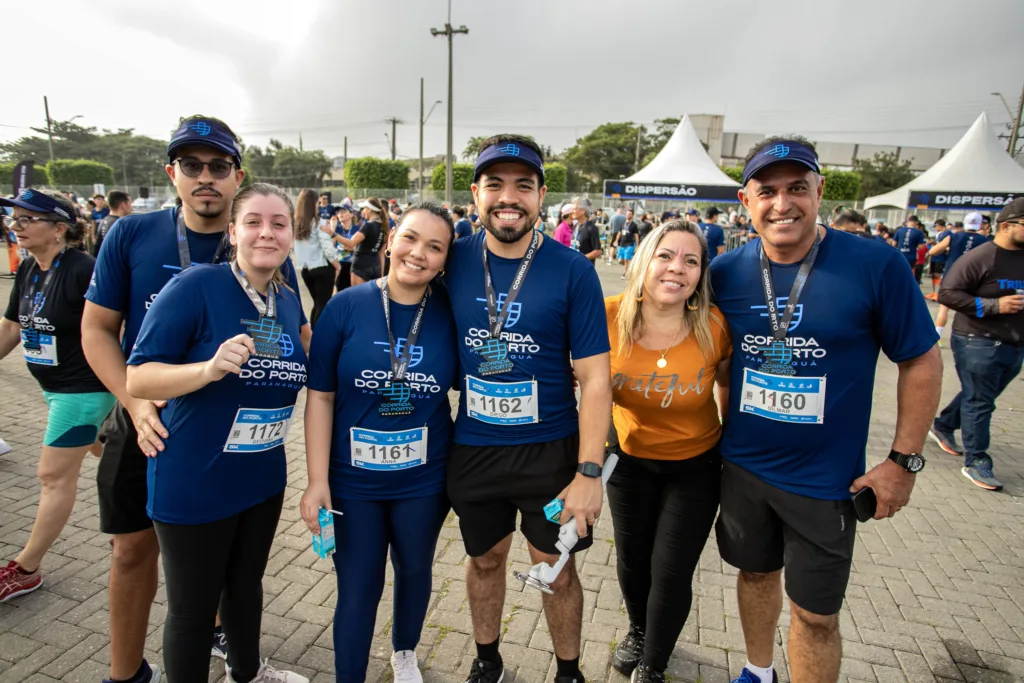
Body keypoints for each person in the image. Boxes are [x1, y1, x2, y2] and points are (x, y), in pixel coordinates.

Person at [82, 115, 306, 683]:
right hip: (161, 431)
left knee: (239, 582)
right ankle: (126, 673)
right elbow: (109, 343)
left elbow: (303, 348)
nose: (205, 175)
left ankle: (243, 666)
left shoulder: (280, 288)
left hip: (254, 465)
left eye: (218, 165)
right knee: (144, 560)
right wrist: (143, 402)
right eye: (191, 164)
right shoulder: (143, 243)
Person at [710, 137, 941, 683]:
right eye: (767, 191)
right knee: (754, 576)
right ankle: (758, 671)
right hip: (743, 469)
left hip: (825, 482)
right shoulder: (724, 271)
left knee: (815, 616)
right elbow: (716, 360)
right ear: (746, 201)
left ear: (819, 193)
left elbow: (922, 361)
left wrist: (903, 462)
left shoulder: (876, 265)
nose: (782, 204)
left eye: (797, 188)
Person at [443, 135, 612, 683]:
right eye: (495, 184)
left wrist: (590, 472)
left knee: (556, 570)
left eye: (523, 185)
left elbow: (595, 377)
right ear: (476, 194)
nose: (508, 197)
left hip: (550, 452)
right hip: (474, 446)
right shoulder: (451, 259)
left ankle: (568, 672)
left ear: (541, 196)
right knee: (485, 559)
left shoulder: (572, 269)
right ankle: (487, 659)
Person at [301, 202, 457, 683]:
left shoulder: (452, 311)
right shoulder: (345, 306)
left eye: (435, 247)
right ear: (390, 241)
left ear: (445, 261)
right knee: (358, 585)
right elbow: (320, 396)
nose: (418, 253)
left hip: (424, 479)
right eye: (410, 238)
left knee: (415, 568)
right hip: (352, 482)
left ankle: (404, 652)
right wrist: (316, 481)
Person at [605, 220, 732, 683]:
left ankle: (653, 664)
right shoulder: (606, 317)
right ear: (644, 261)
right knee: (632, 558)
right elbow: (585, 388)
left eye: (690, 260)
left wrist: (733, 446)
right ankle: (639, 630)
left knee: (671, 569)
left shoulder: (714, 326)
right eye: (665, 255)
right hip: (628, 459)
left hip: (695, 465)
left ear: (700, 274)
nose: (677, 268)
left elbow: (726, 385)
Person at [0, 190, 115, 603]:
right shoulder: (30, 267)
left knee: (53, 476)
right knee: (112, 452)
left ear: (59, 228)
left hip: (82, 391)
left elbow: (113, 328)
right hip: (51, 389)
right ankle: (141, 510)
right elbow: (12, 327)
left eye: (27, 219)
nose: (15, 226)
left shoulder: (85, 270)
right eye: (14, 219)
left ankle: (26, 569)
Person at [929, 198, 1024, 491]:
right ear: (1006, 226)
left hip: (1014, 344)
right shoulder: (981, 257)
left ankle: (944, 424)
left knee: (981, 395)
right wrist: (994, 305)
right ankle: (977, 460)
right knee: (980, 401)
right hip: (978, 341)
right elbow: (948, 293)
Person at [930, 212, 990, 339]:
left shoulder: (954, 237)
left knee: (943, 309)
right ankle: (967, 336)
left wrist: (948, 250)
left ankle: (937, 336)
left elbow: (933, 251)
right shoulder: (985, 241)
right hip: (974, 279)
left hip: (951, 276)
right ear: (980, 225)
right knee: (969, 310)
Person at [293, 188, 339, 328]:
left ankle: (313, 333)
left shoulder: (296, 224)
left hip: (305, 269)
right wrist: (337, 265)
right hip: (322, 267)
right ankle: (319, 334)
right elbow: (327, 247)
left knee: (317, 304)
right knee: (323, 304)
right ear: (313, 203)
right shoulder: (319, 222)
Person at [331, 197, 386, 286]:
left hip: (361, 267)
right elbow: (381, 253)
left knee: (358, 294)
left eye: (364, 208)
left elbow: (351, 243)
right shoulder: (384, 227)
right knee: (371, 294)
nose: (362, 211)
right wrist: (381, 274)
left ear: (369, 210)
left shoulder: (368, 225)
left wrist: (332, 233)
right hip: (375, 267)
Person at [327, 204, 360, 292]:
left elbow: (362, 246)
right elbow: (330, 246)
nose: (340, 214)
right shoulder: (336, 229)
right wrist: (332, 228)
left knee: (354, 291)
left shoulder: (358, 229)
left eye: (343, 211)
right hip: (339, 264)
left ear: (351, 214)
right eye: (338, 212)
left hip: (355, 265)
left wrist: (352, 247)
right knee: (341, 291)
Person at [93, 190, 133, 258]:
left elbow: (97, 247)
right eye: (130, 203)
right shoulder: (121, 224)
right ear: (123, 205)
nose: (131, 207)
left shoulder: (104, 221)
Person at [571, 198, 603, 264]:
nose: (572, 212)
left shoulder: (591, 228)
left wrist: (581, 258)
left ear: (583, 211)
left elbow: (598, 251)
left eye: (574, 209)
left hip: (585, 267)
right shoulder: (575, 226)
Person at [615, 209, 640, 279]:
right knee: (621, 260)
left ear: (632, 215)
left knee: (626, 260)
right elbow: (619, 233)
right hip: (622, 244)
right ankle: (629, 269)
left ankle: (625, 273)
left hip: (629, 244)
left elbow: (636, 235)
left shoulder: (634, 225)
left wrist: (637, 245)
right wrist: (616, 240)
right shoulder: (623, 224)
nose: (628, 215)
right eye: (627, 214)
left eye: (629, 214)